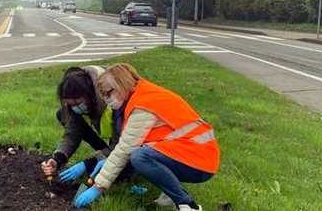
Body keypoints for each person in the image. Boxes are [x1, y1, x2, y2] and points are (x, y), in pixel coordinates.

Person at [73, 63, 220, 211]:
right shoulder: (141, 93)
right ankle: (171, 194)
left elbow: (125, 148)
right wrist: (106, 162)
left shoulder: (142, 105)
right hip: (197, 155)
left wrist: (99, 186)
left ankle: (188, 205)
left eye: (108, 93)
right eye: (103, 95)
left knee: (140, 157)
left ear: (122, 84)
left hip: (200, 161)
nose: (106, 99)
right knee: (140, 154)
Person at [40, 66, 120, 181]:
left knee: (122, 167)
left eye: (78, 102)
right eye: (71, 104)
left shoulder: (111, 99)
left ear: (89, 95)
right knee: (62, 114)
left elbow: (122, 144)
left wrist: (89, 163)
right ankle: (104, 151)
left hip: (136, 142)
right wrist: (58, 159)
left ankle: (107, 157)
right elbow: (72, 132)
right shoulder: (75, 90)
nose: (76, 107)